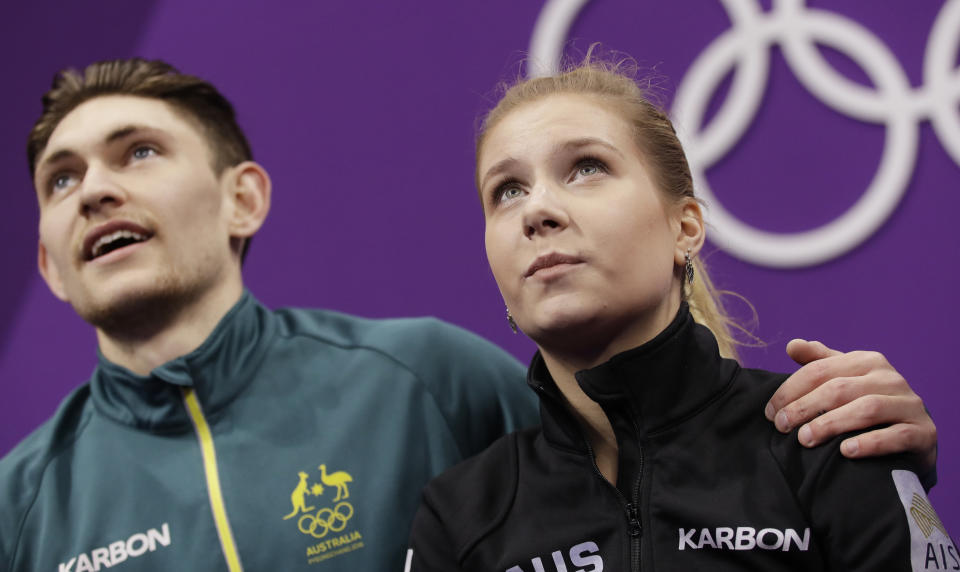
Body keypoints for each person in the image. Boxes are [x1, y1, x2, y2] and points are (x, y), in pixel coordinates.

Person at [0, 58, 937, 572]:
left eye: (139, 153)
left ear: (244, 197)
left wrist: (891, 476)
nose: (96, 193)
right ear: (42, 260)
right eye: (62, 179)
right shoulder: (18, 505)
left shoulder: (425, 381)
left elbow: (636, 450)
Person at [407, 58, 955, 571]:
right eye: (507, 191)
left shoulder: (826, 443)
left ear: (685, 228)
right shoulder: (459, 518)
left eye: (586, 167)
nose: (537, 211)